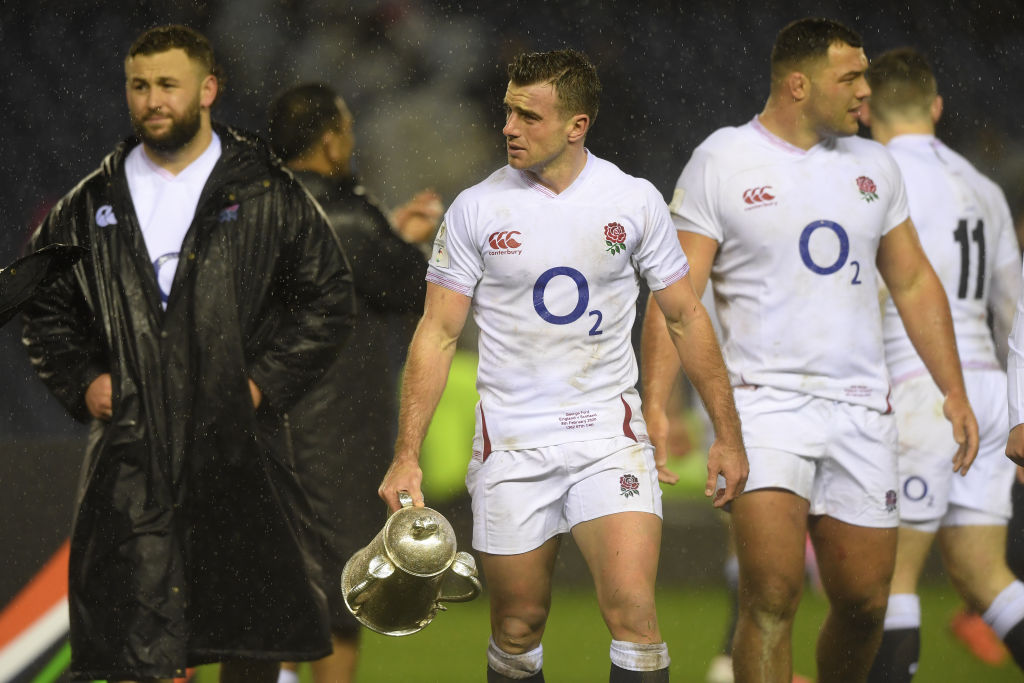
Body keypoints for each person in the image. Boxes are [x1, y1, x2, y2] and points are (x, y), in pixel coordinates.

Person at [378, 49, 748, 683]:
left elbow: (685, 316)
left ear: (577, 125)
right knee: (518, 626)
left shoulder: (632, 201)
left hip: (609, 434)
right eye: (507, 112)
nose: (509, 127)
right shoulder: (475, 209)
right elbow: (438, 333)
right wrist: (406, 451)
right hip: (513, 441)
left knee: (634, 611)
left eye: (529, 115)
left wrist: (727, 434)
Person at [641, 18, 979, 683]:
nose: (866, 91)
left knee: (864, 601)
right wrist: (656, 401)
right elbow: (676, 297)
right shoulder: (723, 159)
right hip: (763, 407)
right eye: (851, 77)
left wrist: (954, 389)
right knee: (770, 596)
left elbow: (911, 279)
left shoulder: (875, 165)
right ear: (799, 84)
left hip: (860, 407)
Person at [20, 25, 354, 683]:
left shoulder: (267, 193)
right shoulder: (89, 204)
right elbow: (44, 308)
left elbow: (327, 299)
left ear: (207, 89)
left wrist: (259, 384)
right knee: (140, 639)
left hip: (240, 451)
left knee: (250, 638)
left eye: (166, 85)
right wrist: (85, 379)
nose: (152, 100)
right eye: (138, 86)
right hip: (133, 455)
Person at [856, 47, 1024, 681]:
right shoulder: (981, 186)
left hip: (919, 387)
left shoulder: (870, 177)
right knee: (985, 577)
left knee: (889, 579)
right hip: (987, 388)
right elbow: (1015, 306)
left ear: (866, 109)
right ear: (936, 106)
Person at [265, 82, 439, 683]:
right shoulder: (343, 215)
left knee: (272, 592)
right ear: (331, 140)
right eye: (348, 131)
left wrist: (390, 231)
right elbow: (409, 287)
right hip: (333, 434)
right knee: (339, 602)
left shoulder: (250, 207)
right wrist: (397, 240)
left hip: (261, 425)